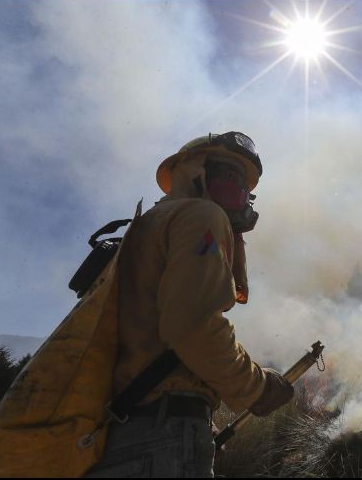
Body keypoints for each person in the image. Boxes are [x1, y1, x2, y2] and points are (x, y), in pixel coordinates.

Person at [85, 132, 293, 478]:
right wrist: (257, 386)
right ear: (197, 172)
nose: (240, 191)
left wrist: (191, 418)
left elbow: (151, 341)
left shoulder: (152, 224)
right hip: (158, 439)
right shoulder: (201, 216)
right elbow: (193, 327)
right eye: (229, 177)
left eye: (243, 183)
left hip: (127, 430)